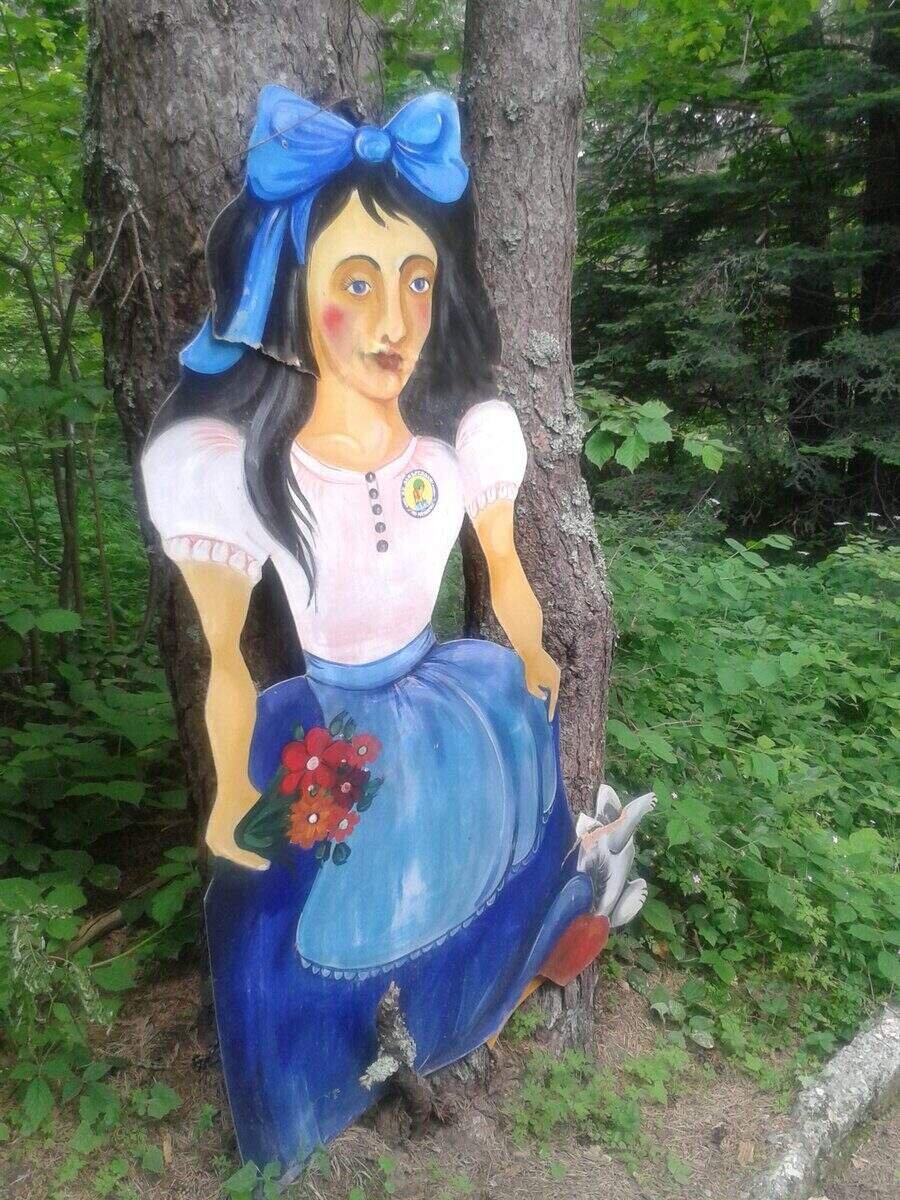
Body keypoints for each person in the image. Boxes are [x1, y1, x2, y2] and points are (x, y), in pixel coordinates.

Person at [141, 87, 601, 1170]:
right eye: (356, 282)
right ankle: (307, 1102)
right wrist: (232, 785)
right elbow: (223, 660)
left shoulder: (459, 445)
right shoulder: (241, 469)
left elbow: (505, 570)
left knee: (489, 846)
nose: (394, 321)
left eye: (416, 280)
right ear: (291, 288)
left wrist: (532, 651)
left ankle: (497, 977)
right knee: (294, 913)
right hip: (329, 718)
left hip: (450, 698)